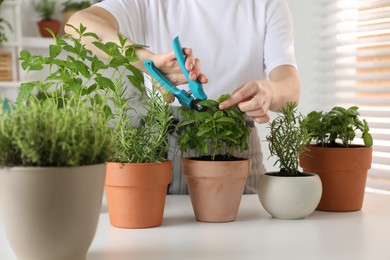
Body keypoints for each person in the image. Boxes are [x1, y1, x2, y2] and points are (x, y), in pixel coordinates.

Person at [66, 0, 300, 194]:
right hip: (162, 153)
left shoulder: (268, 5)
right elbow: (78, 24)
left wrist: (268, 91)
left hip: (237, 152)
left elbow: (290, 88)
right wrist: (147, 60)